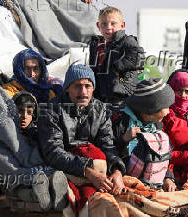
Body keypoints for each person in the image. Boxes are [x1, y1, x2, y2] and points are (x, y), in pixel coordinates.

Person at [38, 64, 126, 196]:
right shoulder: (51, 110)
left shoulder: (100, 110)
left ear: (93, 89)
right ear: (67, 88)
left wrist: (117, 171)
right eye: (77, 86)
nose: (83, 92)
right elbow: (53, 152)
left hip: (96, 168)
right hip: (65, 168)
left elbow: (107, 145)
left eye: (88, 86)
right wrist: (87, 171)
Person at [112, 78, 176, 191]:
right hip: (124, 180)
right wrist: (123, 139)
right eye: (164, 107)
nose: (168, 112)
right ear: (148, 110)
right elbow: (108, 150)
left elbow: (161, 156)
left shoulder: (156, 125)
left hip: (151, 183)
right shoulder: (121, 121)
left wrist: (168, 177)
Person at [11, 90, 69, 212]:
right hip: (19, 177)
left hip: (40, 172)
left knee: (48, 178)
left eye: (29, 112)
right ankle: (44, 200)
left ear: (34, 115)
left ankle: (56, 194)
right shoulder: (7, 133)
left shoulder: (39, 133)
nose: (24, 116)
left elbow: (48, 154)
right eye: (20, 111)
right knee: (20, 191)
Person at [89, 6, 144, 107]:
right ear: (98, 25)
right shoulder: (96, 44)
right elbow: (94, 67)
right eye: (104, 24)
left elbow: (138, 58)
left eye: (113, 23)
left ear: (122, 25)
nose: (108, 27)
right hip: (102, 93)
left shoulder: (126, 41)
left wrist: (116, 67)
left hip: (122, 93)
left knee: (119, 119)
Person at [162, 70, 188, 188]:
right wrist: (168, 176)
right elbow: (160, 152)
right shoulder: (165, 115)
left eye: (187, 91)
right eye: (178, 91)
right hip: (172, 176)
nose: (183, 95)